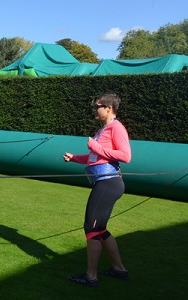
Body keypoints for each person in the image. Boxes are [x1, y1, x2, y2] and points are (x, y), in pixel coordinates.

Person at [63, 93, 132, 287]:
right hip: (105, 182)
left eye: (97, 106)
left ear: (109, 108)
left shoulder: (116, 128)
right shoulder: (104, 129)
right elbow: (95, 157)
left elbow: (125, 156)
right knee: (100, 228)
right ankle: (119, 269)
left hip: (108, 183)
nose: (94, 110)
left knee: (91, 228)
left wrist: (95, 146)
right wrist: (75, 157)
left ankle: (91, 277)